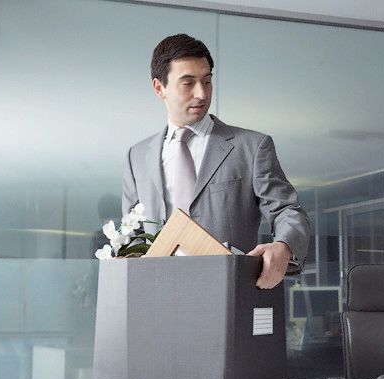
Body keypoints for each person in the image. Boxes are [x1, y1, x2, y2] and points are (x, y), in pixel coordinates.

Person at [122, 34, 310, 289]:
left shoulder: (251, 147)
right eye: (188, 83)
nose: (201, 93)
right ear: (159, 88)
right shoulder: (137, 157)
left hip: (229, 291)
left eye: (207, 81)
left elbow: (287, 210)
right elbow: (132, 237)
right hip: (157, 295)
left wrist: (284, 246)